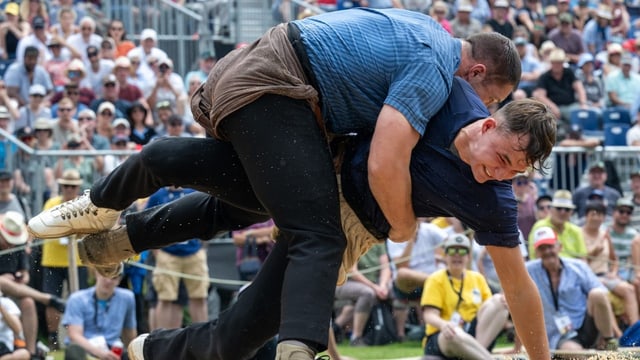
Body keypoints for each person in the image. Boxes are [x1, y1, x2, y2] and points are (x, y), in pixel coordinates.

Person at [28, 8, 552, 360]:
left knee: (239, 275)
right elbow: (384, 162)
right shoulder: (444, 84)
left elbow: (517, 284)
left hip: (321, 164)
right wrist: (403, 227)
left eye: (513, 172)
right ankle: (299, 348)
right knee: (307, 234)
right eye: (502, 157)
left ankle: (134, 294)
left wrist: (540, 357)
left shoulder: (492, 192)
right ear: (487, 116)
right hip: (313, 142)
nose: (500, 173)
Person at [527, 226, 619, 351]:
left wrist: (613, 329)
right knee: (574, 353)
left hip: (585, 324)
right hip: (559, 333)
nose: (547, 251)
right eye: (542, 248)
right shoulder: (529, 271)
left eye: (550, 246)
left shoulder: (578, 266)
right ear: (536, 252)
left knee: (597, 294)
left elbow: (602, 294)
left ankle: (609, 341)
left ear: (559, 247)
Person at [421, 233, 510, 359]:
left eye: (462, 251)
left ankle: (475, 355)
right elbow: (429, 315)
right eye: (452, 250)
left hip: (474, 335)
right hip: (443, 335)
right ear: (445, 255)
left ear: (468, 256)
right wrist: (443, 324)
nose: (457, 255)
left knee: (498, 301)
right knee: (454, 332)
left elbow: (489, 310)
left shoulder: (477, 278)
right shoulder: (435, 279)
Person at [62, 271, 137, 360]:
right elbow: (74, 335)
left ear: (119, 279)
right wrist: (101, 353)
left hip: (112, 350)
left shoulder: (127, 298)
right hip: (85, 350)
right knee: (74, 351)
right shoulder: (77, 299)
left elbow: (129, 334)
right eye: (105, 275)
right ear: (97, 273)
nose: (108, 281)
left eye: (114, 278)